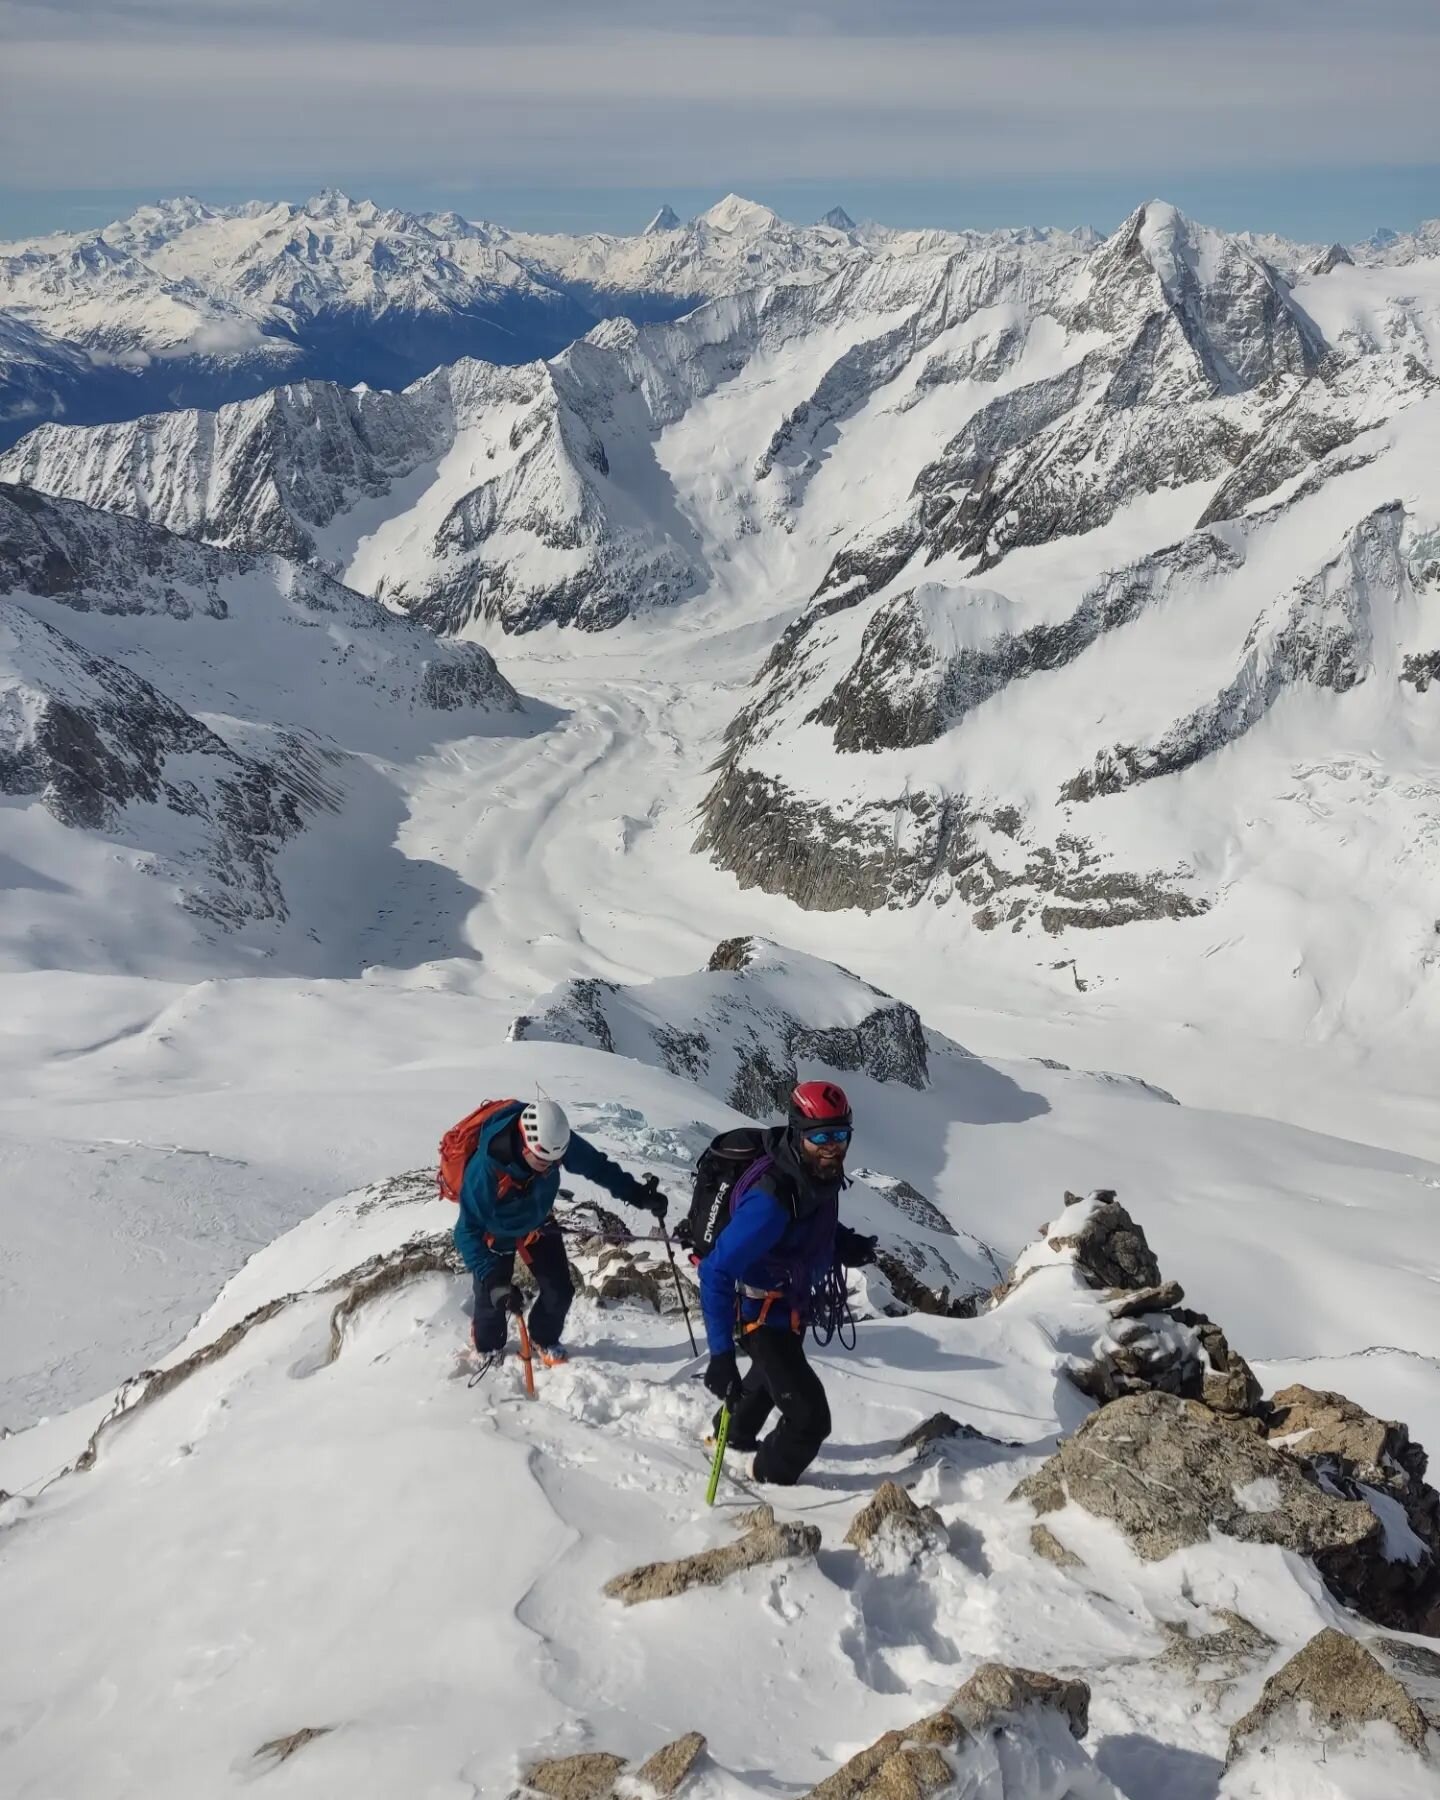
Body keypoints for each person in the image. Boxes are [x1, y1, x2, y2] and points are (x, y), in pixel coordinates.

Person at [699, 1081, 877, 1485]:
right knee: (810, 1419)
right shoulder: (771, 1202)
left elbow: (809, 1227)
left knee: (766, 1379)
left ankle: (730, 1435)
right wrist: (721, 1356)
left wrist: (842, 1244)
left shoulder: (816, 1175)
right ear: (798, 1133)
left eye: (840, 1135)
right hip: (760, 1314)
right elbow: (715, 1271)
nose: (833, 1146)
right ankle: (768, 1475)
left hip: (789, 1306)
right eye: (821, 1136)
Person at [456, 1097, 665, 1365]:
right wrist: (494, 1280)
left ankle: (543, 1337)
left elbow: (596, 1167)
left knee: (560, 1290)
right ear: (525, 1144)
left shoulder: (555, 1140)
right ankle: (487, 1345)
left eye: (555, 1161)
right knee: (491, 1302)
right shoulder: (486, 1167)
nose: (551, 1167)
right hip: (496, 1232)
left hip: (537, 1221)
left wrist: (637, 1194)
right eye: (543, 1161)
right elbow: (466, 1231)